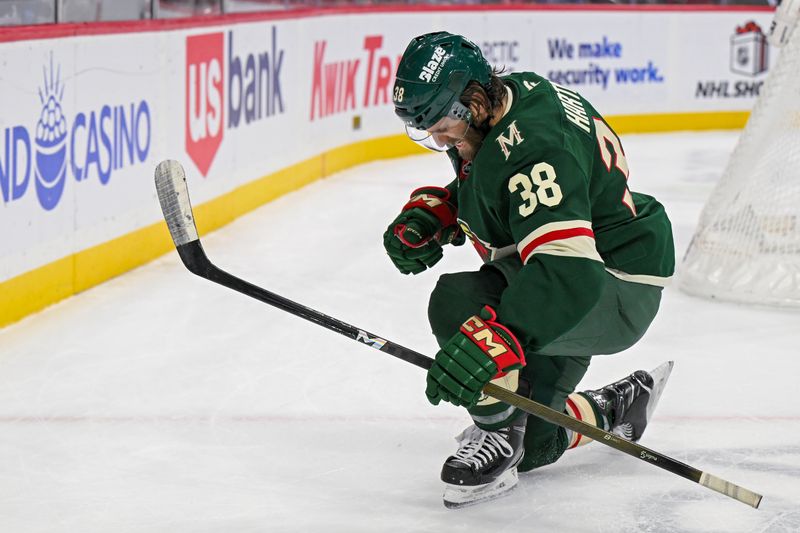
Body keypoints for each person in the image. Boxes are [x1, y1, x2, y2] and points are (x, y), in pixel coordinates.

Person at [383, 31, 676, 508]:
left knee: (458, 305)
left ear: (473, 99)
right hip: (583, 271)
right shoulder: (510, 98)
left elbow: (568, 273)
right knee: (536, 442)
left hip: (608, 283)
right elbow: (505, 185)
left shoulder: (535, 147)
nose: (440, 140)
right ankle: (615, 406)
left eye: (443, 126)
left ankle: (496, 435)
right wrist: (442, 211)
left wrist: (498, 341)